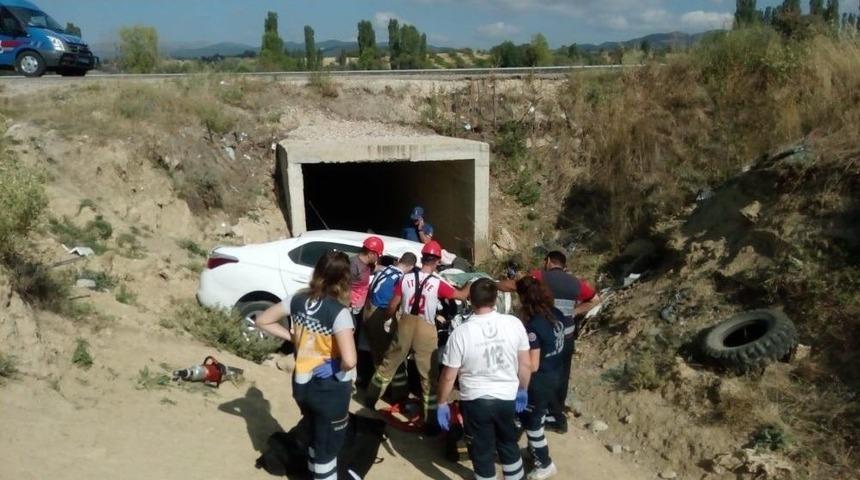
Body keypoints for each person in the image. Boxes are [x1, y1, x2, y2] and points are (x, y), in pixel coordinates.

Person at [255, 250, 358, 480]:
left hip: (302, 386)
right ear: (343, 279)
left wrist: (295, 338)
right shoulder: (339, 313)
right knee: (327, 449)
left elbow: (262, 320)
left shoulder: (298, 299)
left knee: (313, 433)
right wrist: (335, 366)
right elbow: (350, 360)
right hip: (329, 391)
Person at [364, 240, 468, 433]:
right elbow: (461, 296)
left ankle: (369, 401)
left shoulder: (405, 279)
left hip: (404, 324)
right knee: (428, 377)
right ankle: (430, 423)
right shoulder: (437, 283)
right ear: (437, 261)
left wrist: (389, 320)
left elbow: (392, 305)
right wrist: (471, 284)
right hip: (426, 329)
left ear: (422, 258)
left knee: (387, 365)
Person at [437, 278, 532, 480]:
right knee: (508, 444)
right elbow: (525, 364)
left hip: (475, 400)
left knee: (482, 451)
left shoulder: (461, 333)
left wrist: (442, 403)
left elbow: (449, 375)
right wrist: (523, 389)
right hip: (507, 397)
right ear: (495, 298)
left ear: (470, 300)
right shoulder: (513, 324)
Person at [498, 250, 601, 433]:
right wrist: (575, 311)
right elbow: (595, 299)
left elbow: (516, 286)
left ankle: (531, 413)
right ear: (563, 265)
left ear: (548, 262)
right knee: (561, 376)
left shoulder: (539, 276)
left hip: (543, 334)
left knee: (537, 372)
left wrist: (494, 285)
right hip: (566, 335)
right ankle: (557, 418)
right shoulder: (576, 283)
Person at [515, 276, 566, 479]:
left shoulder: (533, 327)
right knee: (540, 415)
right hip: (556, 374)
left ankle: (544, 464)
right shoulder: (556, 314)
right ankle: (533, 450)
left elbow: (532, 364)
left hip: (540, 380)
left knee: (533, 422)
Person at [362, 252, 418, 402]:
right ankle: (396, 394)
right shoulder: (400, 279)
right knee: (391, 357)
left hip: (368, 311)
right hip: (380, 315)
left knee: (378, 355)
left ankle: (388, 390)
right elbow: (392, 305)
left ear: (399, 260)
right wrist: (388, 319)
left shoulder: (386, 270)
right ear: (412, 267)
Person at [351, 236, 384, 387]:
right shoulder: (353, 265)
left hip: (359, 309)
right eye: (378, 255)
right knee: (349, 342)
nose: (378, 259)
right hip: (350, 310)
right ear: (371, 253)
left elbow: (375, 269)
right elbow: (342, 287)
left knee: (357, 342)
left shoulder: (367, 265)